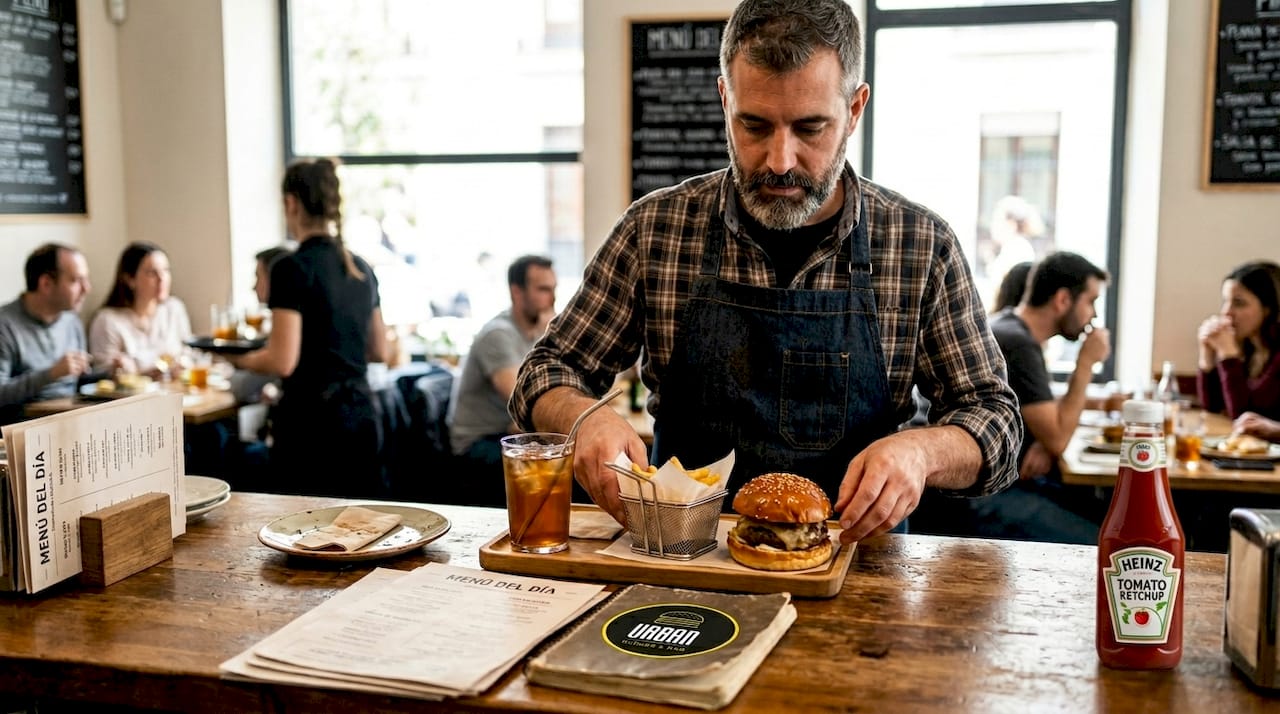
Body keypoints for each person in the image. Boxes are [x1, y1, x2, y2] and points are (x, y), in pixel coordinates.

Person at [510, 0, 1021, 543]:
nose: (780, 160)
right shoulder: (655, 229)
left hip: (859, 569)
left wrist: (923, 451)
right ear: (724, 99)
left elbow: (996, 421)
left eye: (810, 128)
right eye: (754, 125)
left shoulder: (919, 244)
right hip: (680, 555)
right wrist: (584, 419)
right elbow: (545, 372)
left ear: (854, 109)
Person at [230, 159, 387, 498]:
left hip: (313, 425)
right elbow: (379, 350)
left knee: (308, 536)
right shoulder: (361, 268)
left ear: (291, 203)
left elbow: (281, 361)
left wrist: (237, 360)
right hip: (361, 418)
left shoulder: (290, 268)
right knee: (362, 532)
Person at [948, 252, 1111, 544]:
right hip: (979, 497)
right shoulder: (1017, 344)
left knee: (1102, 511)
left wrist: (1040, 441)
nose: (1094, 315)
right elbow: (1059, 437)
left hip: (989, 485)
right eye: (1091, 301)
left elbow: (1043, 419)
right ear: (1062, 300)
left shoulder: (1008, 327)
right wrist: (1086, 363)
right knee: (1105, 542)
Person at [447, 255, 557, 505]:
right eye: (543, 289)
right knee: (562, 467)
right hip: (477, 445)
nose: (551, 299)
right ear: (516, 292)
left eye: (553, 289)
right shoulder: (498, 335)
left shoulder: (534, 333)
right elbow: (525, 403)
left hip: (510, 434)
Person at [0, 244, 94, 423]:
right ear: (46, 284)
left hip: (70, 419)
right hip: (25, 429)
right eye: (76, 280)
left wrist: (110, 372)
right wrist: (50, 374)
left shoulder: (71, 320)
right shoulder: (5, 325)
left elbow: (79, 380)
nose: (87, 288)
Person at [88, 242, 192, 377]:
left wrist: (183, 364)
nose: (162, 279)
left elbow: (189, 353)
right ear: (130, 279)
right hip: (136, 397)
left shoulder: (174, 308)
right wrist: (134, 373)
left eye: (166, 270)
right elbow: (102, 377)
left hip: (176, 393)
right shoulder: (107, 321)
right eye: (152, 273)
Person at [1197, 261, 1280, 421]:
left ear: (1268, 309)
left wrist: (1229, 356)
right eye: (1225, 301)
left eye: (1239, 303)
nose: (1226, 312)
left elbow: (1244, 417)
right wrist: (1206, 356)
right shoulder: (1250, 348)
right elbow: (1213, 407)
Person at [985, 195, 1043, 288]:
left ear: (1011, 224)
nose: (993, 226)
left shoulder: (1018, 248)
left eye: (997, 220)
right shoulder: (1013, 247)